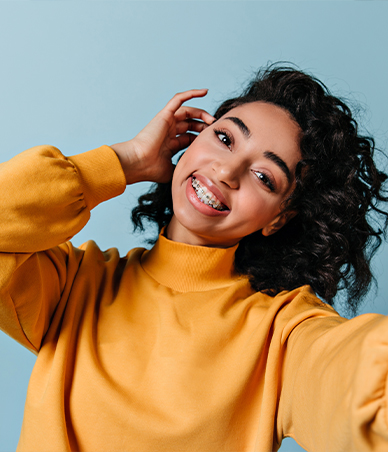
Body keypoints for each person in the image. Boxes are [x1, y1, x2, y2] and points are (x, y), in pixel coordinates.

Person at [1, 64, 388, 452]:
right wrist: (126, 160)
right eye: (224, 137)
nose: (227, 171)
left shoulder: (282, 333)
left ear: (279, 219)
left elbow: (352, 376)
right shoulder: (72, 284)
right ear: (193, 137)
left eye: (265, 177)